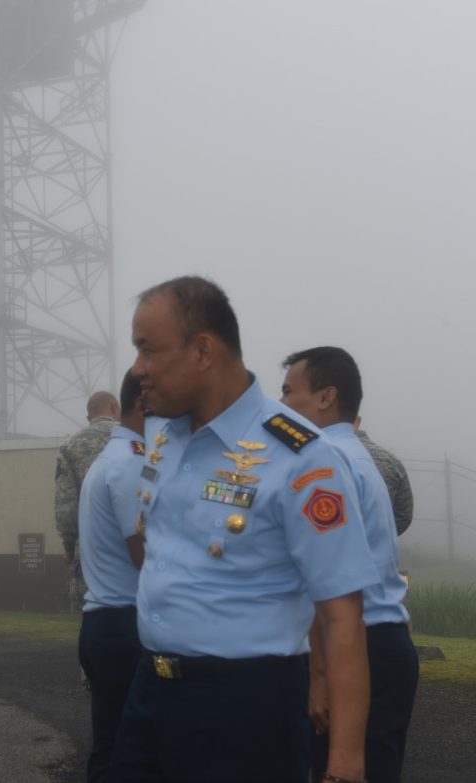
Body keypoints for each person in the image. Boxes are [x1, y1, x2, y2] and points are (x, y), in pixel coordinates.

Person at [109, 276, 378, 783]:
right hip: (149, 690)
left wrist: (345, 765)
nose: (137, 369)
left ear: (203, 350)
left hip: (245, 710)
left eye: (147, 349)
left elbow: (342, 616)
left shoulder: (301, 457)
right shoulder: (164, 437)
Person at [281, 347, 419, 783]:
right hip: (380, 642)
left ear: (325, 397)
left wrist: (319, 675)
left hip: (355, 647)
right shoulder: (356, 455)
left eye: (289, 391)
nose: (281, 403)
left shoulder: (326, 460)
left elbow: (317, 577)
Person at [77, 370, 147, 783]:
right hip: (126, 624)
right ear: (144, 404)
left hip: (106, 622)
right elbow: (145, 553)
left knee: (112, 748)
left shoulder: (111, 458)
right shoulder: (131, 462)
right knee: (132, 755)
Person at [55, 391, 120, 611]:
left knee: (92, 616)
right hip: (132, 548)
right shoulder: (136, 440)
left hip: (89, 549)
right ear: (114, 408)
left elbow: (66, 505)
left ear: (88, 418)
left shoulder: (70, 446)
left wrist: (68, 546)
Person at [354, 419, 414, 536]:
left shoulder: (320, 454)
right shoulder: (390, 460)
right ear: (358, 421)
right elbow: (403, 515)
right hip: (377, 547)